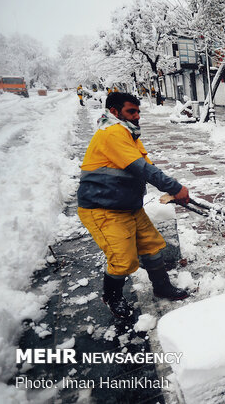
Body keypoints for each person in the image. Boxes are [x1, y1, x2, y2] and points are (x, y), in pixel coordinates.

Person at [77, 92, 190, 319]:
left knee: (151, 245)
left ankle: (162, 287)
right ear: (114, 112)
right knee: (122, 259)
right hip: (103, 209)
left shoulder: (128, 133)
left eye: (138, 111)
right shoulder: (112, 133)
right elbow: (142, 168)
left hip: (127, 206)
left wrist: (170, 188)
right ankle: (112, 296)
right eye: (131, 111)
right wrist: (175, 187)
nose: (137, 116)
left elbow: (147, 166)